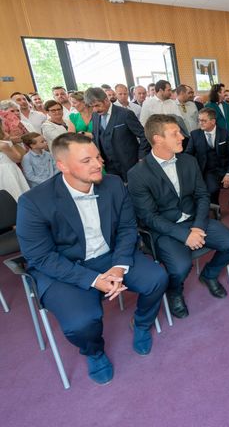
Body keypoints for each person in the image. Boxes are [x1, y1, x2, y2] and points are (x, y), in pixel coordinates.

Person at [15, 133, 168, 385]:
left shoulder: (114, 183)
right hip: (65, 268)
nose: (98, 164)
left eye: (97, 156)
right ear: (62, 165)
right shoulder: (33, 202)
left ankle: (141, 323)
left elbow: (128, 228)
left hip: (111, 257)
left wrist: (119, 267)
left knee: (157, 278)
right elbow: (40, 257)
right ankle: (94, 352)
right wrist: (93, 279)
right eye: (86, 160)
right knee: (81, 323)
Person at [127, 115, 229, 319]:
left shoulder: (188, 160)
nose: (182, 136)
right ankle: (175, 291)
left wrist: (197, 227)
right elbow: (149, 217)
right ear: (158, 139)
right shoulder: (138, 173)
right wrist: (184, 235)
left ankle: (209, 274)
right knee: (180, 267)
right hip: (164, 230)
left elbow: (202, 195)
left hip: (194, 221)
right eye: (175, 134)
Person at [185, 109, 229, 217]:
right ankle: (216, 208)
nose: (200, 123)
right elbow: (188, 154)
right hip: (209, 170)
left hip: (226, 167)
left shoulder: (225, 133)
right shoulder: (195, 135)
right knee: (212, 189)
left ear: (213, 121)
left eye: (203, 120)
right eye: (199, 120)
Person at [88, 87, 149, 183]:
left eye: (97, 105)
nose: (95, 110)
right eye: (92, 107)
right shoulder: (95, 116)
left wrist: (141, 157)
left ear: (106, 100)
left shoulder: (125, 114)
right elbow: (96, 136)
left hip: (130, 164)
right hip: (109, 167)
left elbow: (144, 135)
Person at [0, 118, 28, 200]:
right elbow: (18, 158)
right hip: (8, 172)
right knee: (16, 193)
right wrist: (9, 141)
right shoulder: (3, 145)